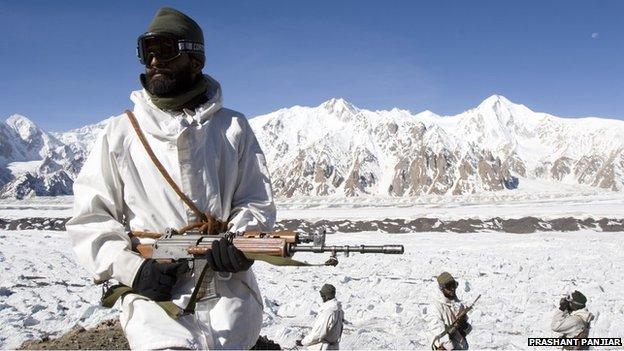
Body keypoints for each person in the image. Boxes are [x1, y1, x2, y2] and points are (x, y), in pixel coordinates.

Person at [66, 7, 275, 350]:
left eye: (165, 50)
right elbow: (91, 217)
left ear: (195, 59)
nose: (154, 62)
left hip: (228, 295)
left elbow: (255, 199)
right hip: (156, 299)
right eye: (147, 52)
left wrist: (238, 242)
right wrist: (133, 270)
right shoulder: (120, 133)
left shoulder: (233, 128)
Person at [428, 272, 472, 350]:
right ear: (441, 288)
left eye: (453, 285)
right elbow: (438, 332)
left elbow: (466, 332)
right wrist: (451, 349)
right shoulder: (435, 307)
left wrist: (464, 325)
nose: (452, 289)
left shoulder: (458, 304)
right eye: (449, 286)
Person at [296, 284, 344, 350]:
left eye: (322, 295)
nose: (322, 297)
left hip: (323, 348)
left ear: (326, 296)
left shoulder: (328, 311)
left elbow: (318, 334)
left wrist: (303, 342)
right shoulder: (339, 310)